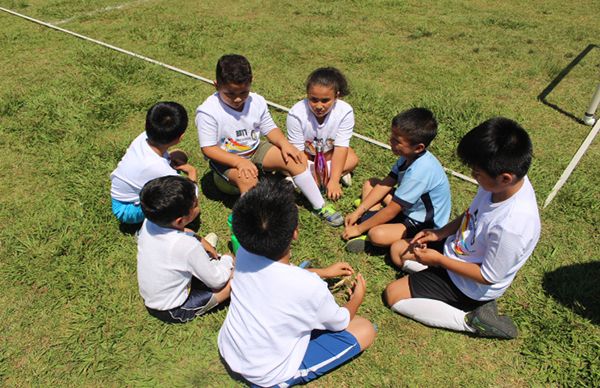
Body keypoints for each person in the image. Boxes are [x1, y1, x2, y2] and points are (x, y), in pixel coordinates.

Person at [384, 117, 541, 339]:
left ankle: (472, 321)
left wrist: (438, 261)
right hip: (457, 254)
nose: (473, 177)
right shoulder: (501, 184)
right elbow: (472, 213)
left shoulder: (513, 226)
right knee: (397, 250)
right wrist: (440, 233)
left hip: (470, 285)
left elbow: (488, 276)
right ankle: (433, 275)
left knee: (394, 295)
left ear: (505, 178)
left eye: (477, 174)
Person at [218, 178, 376, 387]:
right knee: (365, 328)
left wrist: (321, 272)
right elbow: (341, 321)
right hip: (267, 374)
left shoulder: (244, 254)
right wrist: (357, 298)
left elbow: (279, 275)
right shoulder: (309, 287)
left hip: (229, 347)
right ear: (295, 233)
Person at [195, 54, 343, 227]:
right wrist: (239, 162)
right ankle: (252, 223)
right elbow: (209, 149)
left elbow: (270, 128)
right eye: (230, 94)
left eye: (243, 92)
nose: (237, 99)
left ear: (251, 82)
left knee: (294, 159)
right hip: (227, 162)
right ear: (216, 84)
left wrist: (285, 145)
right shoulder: (208, 111)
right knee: (248, 179)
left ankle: (321, 206)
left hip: (255, 150)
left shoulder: (256, 101)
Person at [343, 108, 451, 253]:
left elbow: (393, 210)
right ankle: (370, 218)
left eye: (397, 141)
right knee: (372, 183)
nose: (390, 141)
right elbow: (388, 182)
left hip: (422, 223)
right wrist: (358, 211)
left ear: (418, 148)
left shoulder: (420, 172)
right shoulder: (409, 155)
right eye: (392, 136)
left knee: (377, 235)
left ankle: (370, 234)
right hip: (408, 207)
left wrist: (358, 228)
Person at [137, 175, 233, 323]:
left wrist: (200, 240)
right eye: (195, 204)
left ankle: (204, 261)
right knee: (233, 279)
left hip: (157, 293)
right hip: (171, 308)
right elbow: (217, 281)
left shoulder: (149, 223)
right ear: (180, 220)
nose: (198, 205)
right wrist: (228, 259)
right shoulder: (186, 246)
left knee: (202, 258)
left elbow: (184, 232)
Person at [110, 101, 197, 225]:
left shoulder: (142, 138)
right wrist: (192, 172)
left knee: (179, 155)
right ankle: (154, 228)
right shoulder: (158, 168)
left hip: (120, 195)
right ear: (180, 137)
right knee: (189, 209)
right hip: (128, 209)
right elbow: (190, 195)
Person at [286, 67, 359, 201]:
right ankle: (327, 175)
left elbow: (341, 147)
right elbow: (298, 151)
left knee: (352, 159)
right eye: (313, 99)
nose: (319, 106)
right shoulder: (296, 113)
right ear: (307, 94)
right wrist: (307, 176)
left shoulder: (345, 111)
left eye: (325, 100)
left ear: (336, 96)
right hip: (306, 157)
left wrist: (334, 181)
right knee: (284, 159)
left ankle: (328, 176)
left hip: (330, 156)